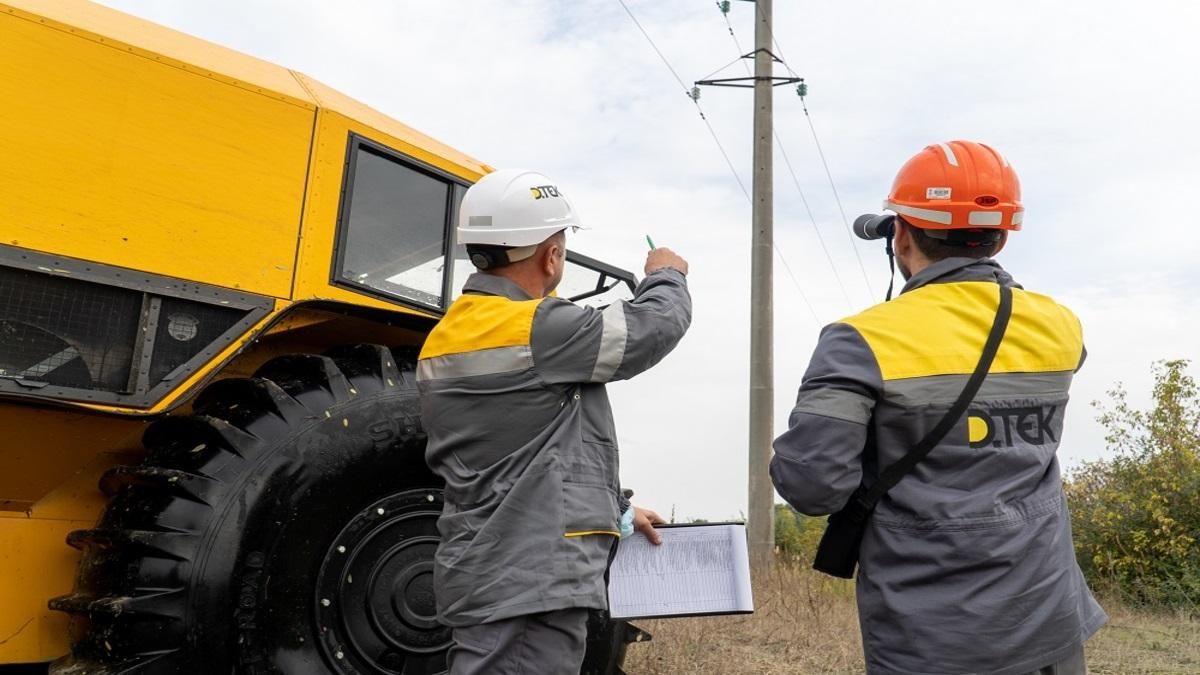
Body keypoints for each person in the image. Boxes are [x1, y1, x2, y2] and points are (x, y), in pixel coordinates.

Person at [771, 140, 1106, 675]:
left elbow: (812, 487)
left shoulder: (858, 340)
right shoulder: (1060, 325)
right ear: (998, 237)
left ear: (900, 234)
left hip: (931, 634)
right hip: (1049, 616)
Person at [417, 168, 692, 674]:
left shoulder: (449, 334)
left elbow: (522, 457)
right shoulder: (535, 329)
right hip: (530, 583)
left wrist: (620, 514)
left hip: (492, 571)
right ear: (551, 254)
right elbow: (654, 326)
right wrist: (666, 275)